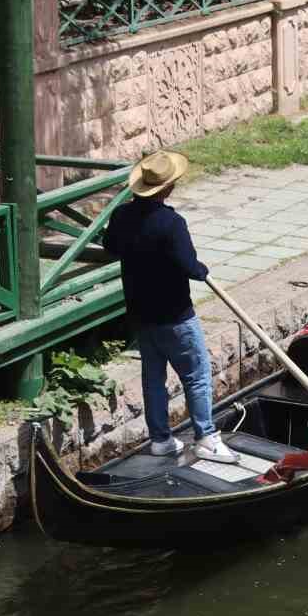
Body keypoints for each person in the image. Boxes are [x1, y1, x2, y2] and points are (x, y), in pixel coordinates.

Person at [102, 151, 236, 463]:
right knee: (197, 375)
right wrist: (201, 269)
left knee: (153, 378)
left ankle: (161, 439)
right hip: (176, 316)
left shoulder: (122, 216)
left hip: (141, 315)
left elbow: (110, 247)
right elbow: (189, 266)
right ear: (167, 189)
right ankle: (205, 437)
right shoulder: (172, 223)